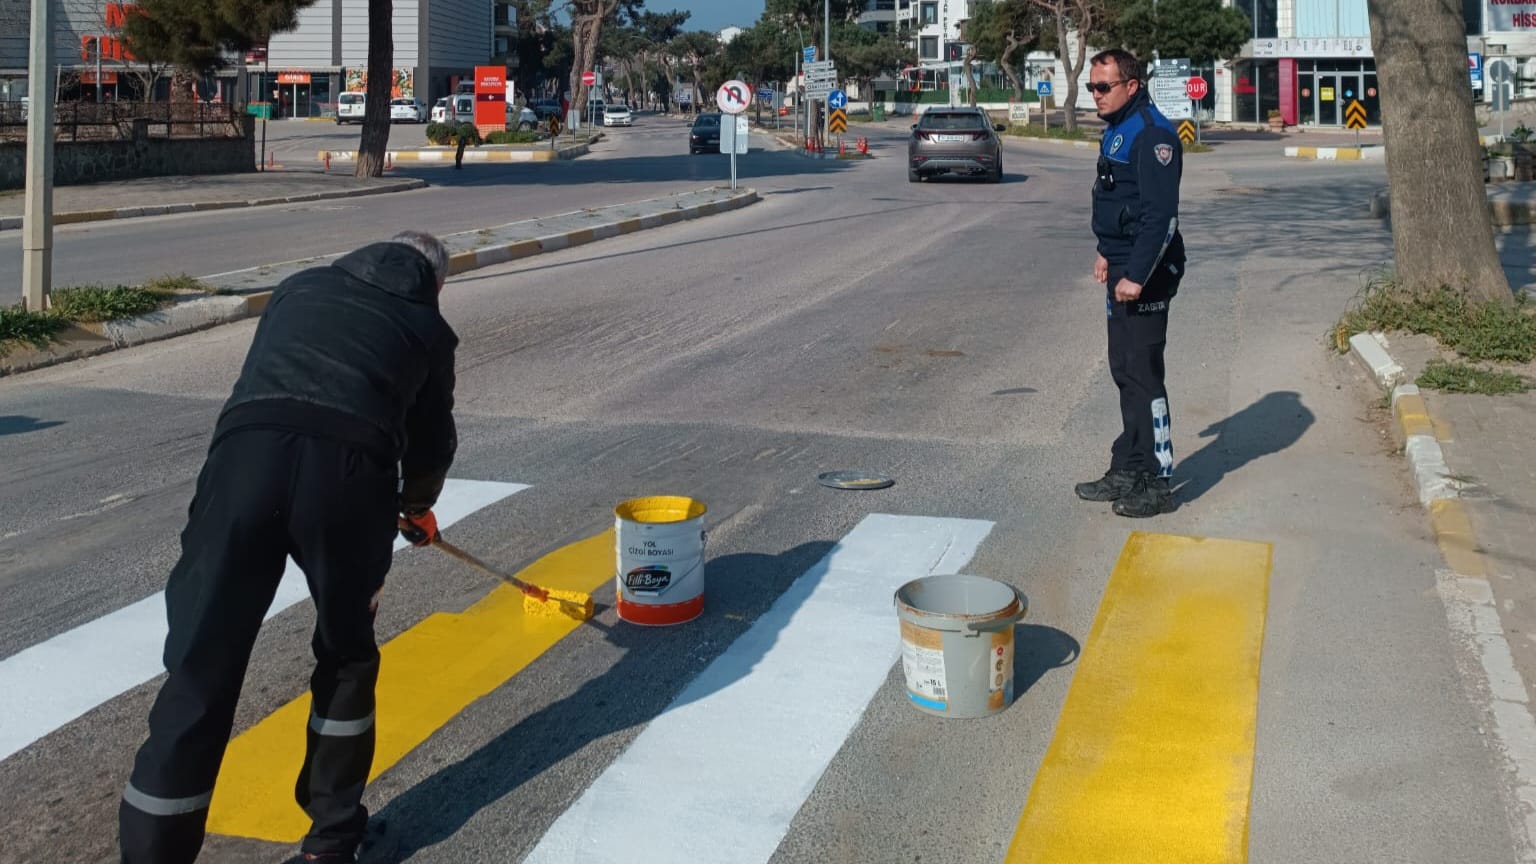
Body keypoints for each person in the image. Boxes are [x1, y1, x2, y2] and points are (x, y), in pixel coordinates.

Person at [118, 231, 459, 863]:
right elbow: (433, 442)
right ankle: (330, 842)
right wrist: (414, 507)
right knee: (346, 656)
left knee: (199, 666)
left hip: (244, 462)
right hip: (349, 479)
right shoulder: (427, 326)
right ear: (435, 283)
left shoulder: (297, 288)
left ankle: (151, 855)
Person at [1073, 48, 1185, 518]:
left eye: (1103, 86)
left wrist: (1137, 275)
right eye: (1091, 88)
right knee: (1124, 370)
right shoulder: (1119, 128)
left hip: (1148, 274)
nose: (1095, 95)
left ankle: (1158, 479)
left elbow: (1160, 216)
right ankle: (1128, 466)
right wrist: (1106, 250)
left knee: (1144, 374)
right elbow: (1118, 197)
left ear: (1131, 86)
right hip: (1121, 266)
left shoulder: (1154, 135)